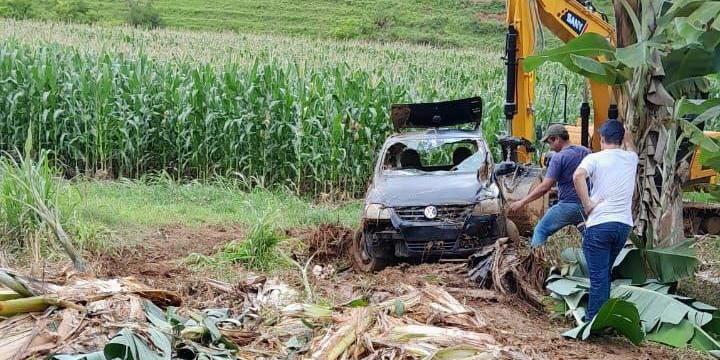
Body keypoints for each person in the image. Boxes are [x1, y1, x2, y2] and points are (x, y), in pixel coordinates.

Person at [572, 119, 638, 321]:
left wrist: (588, 204)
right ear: (621, 138)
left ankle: (593, 321)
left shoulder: (595, 159)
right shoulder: (631, 158)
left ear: (601, 139)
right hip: (623, 226)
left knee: (599, 277)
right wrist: (628, 134)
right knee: (604, 274)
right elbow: (632, 146)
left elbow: (577, 176)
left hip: (600, 224)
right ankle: (603, 317)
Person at [508, 124, 590, 247]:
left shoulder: (558, 157)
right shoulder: (585, 151)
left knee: (541, 230)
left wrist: (522, 202)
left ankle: (536, 262)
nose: (550, 147)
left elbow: (545, 187)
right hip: (586, 206)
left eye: (549, 142)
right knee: (587, 235)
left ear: (557, 139)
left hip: (568, 205)